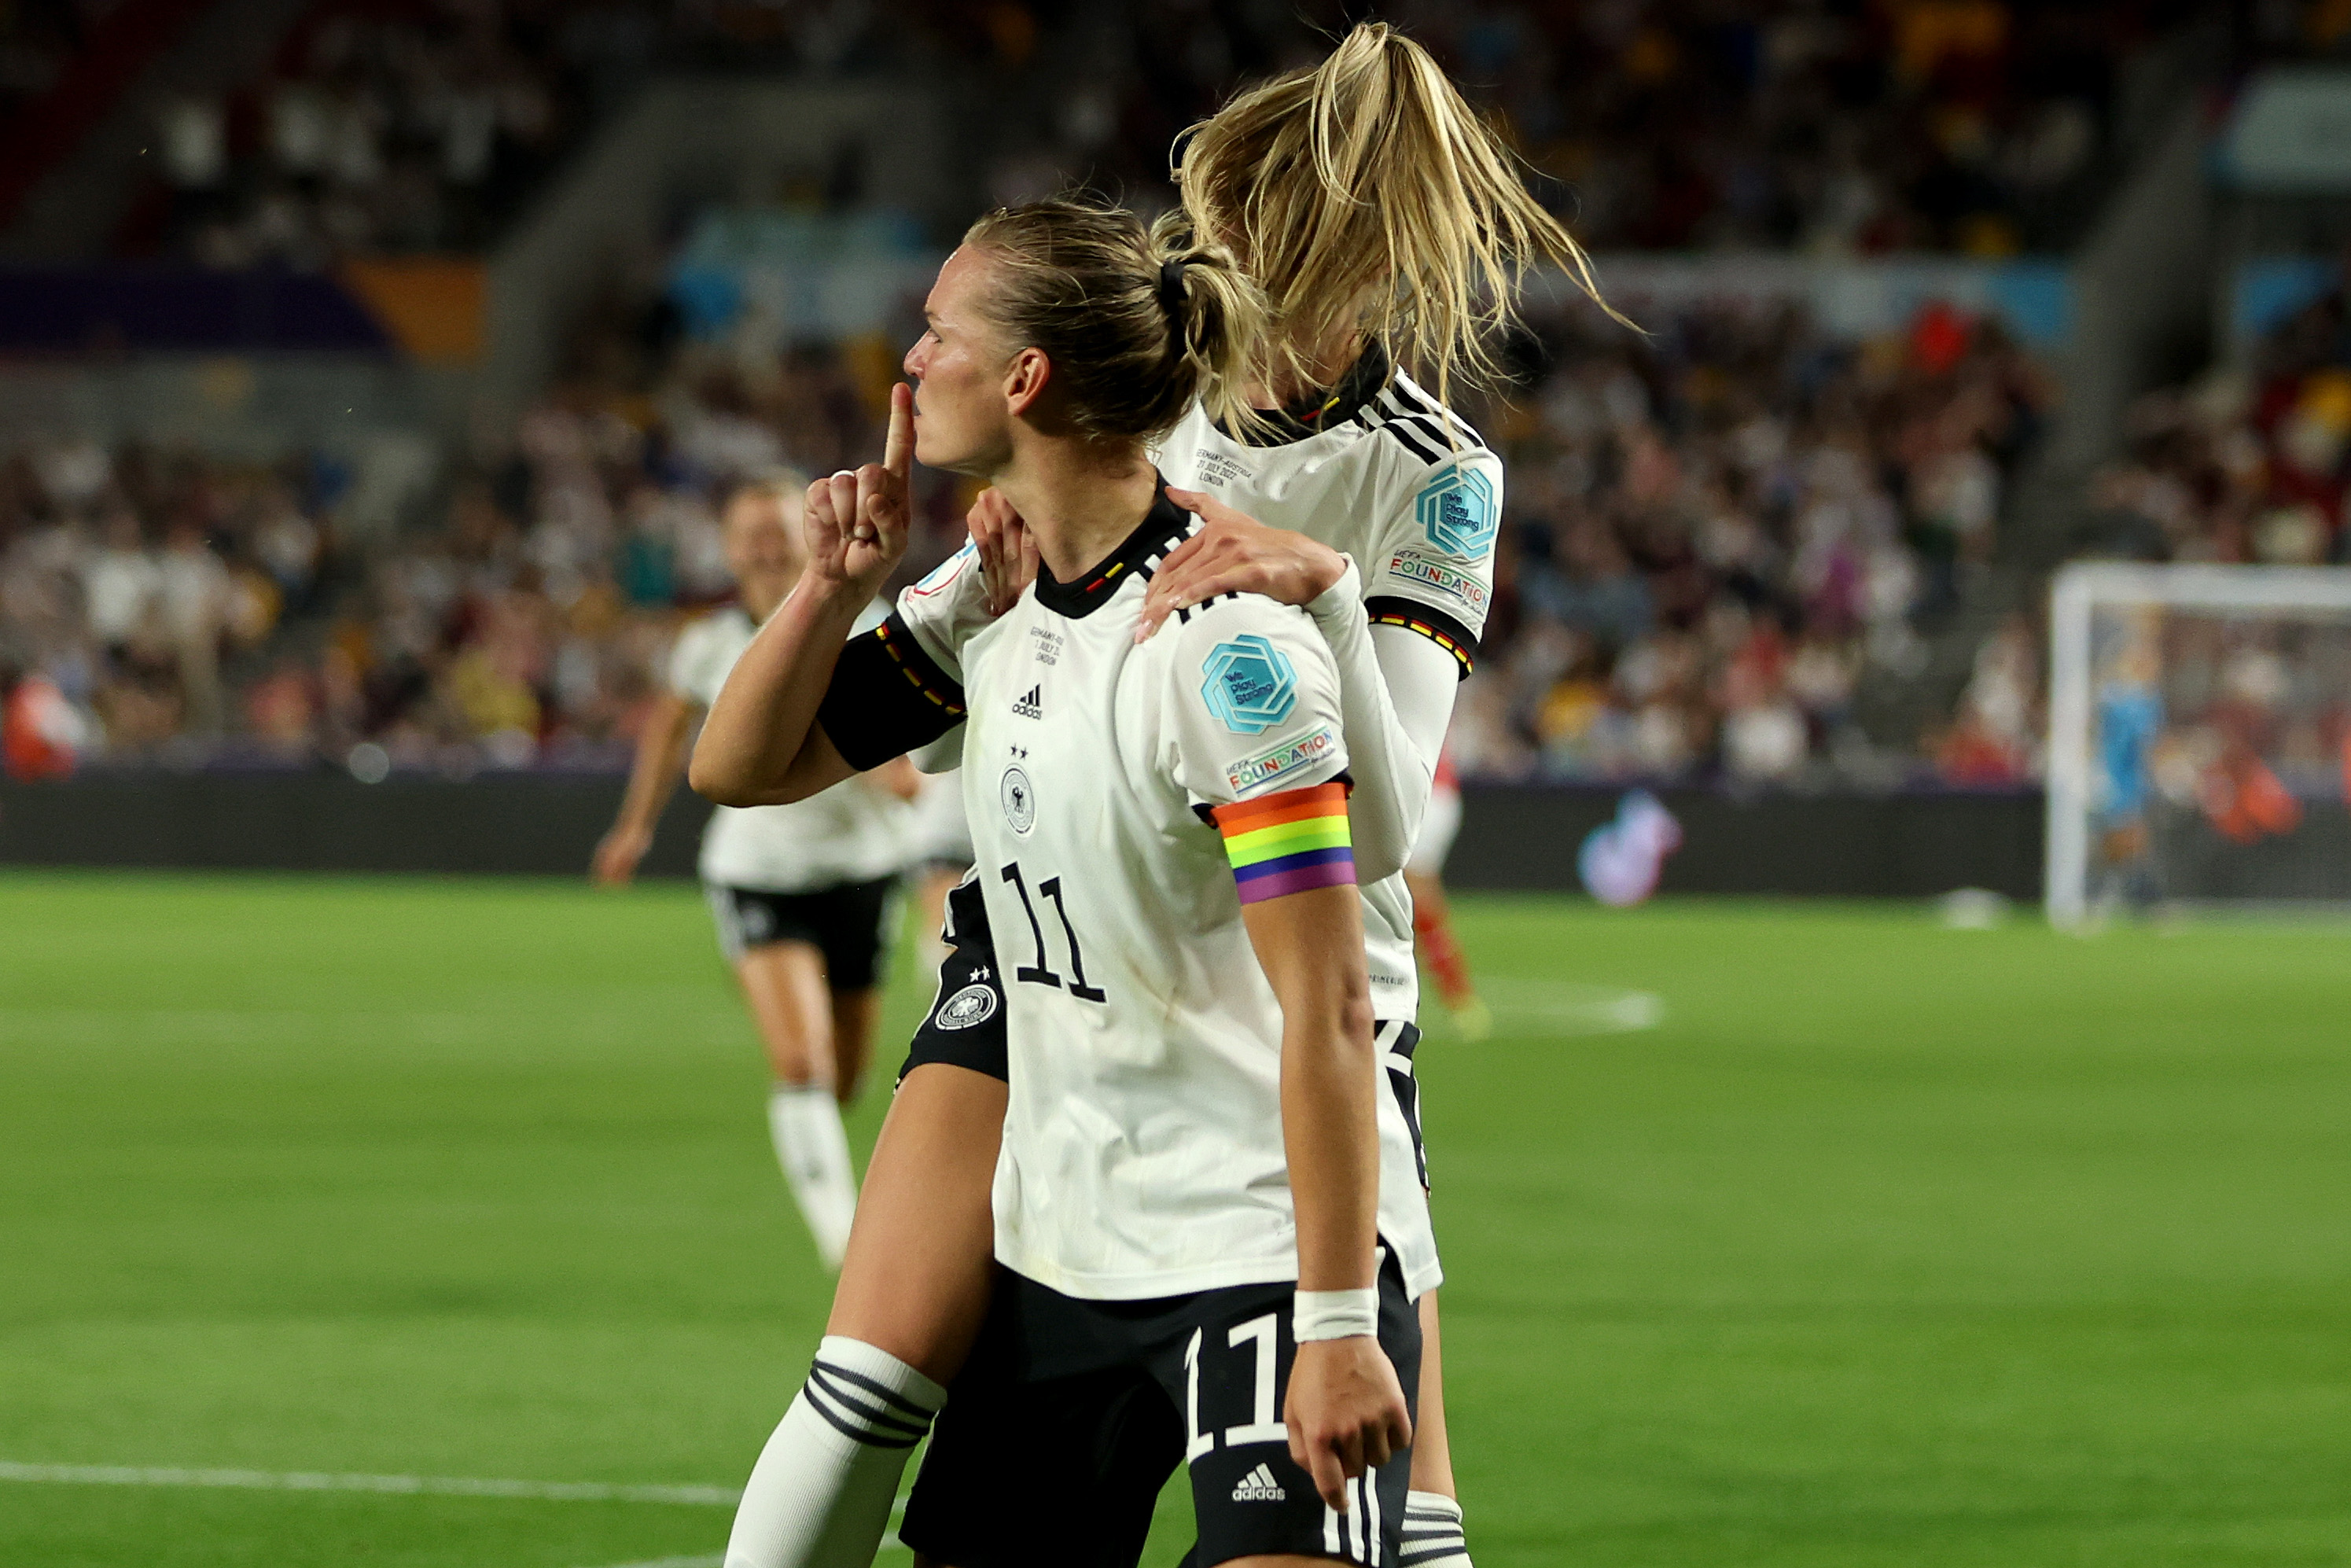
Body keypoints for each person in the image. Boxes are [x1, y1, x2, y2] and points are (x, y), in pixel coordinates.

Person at [712, 24, 1621, 1568]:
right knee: (869, 1367)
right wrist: (864, 609)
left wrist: (1328, 602)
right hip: (1065, 946)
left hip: (1293, 973)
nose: (1217, 273)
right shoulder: (1137, 400)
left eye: (1247, 242)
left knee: (1395, 1491)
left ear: (1340, 268)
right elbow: (939, 644)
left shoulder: (1431, 468)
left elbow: (1384, 823)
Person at [695, 198, 1431, 1566]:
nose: (908, 362)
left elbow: (1334, 1004)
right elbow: (740, 765)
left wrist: (1336, 1325)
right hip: (1060, 1251)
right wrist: (828, 585)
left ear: (1026, 378)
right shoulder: (994, 594)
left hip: (1251, 1251)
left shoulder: (1224, 649)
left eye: (937, 332)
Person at [592, 473, 916, 1268]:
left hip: (864, 867)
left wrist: (888, 762)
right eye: (748, 535)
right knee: (801, 1062)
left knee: (841, 1077)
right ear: (729, 548)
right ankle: (844, 1248)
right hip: (757, 870)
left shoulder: (869, 623)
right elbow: (668, 729)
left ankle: (835, 1193)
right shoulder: (707, 642)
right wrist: (635, 825)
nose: (764, 547)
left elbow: (910, 766)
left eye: (777, 529)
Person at [1403, 745, 1488, 1038]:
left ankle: (1459, 997)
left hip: (1423, 794)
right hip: (1434, 792)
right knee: (1412, 897)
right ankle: (1455, 995)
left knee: (1415, 898)